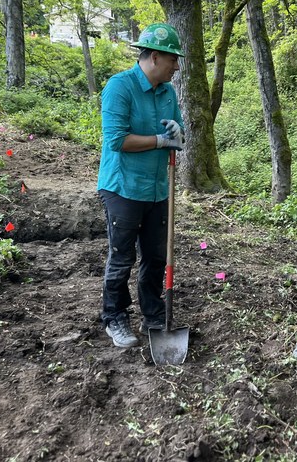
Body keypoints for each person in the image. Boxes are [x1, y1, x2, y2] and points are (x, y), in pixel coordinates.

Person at [97, 22, 185, 348]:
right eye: (172, 59)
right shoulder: (120, 88)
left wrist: (177, 134)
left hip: (157, 188)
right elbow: (117, 140)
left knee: (155, 255)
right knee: (122, 256)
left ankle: (153, 313)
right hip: (122, 186)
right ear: (153, 57)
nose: (176, 66)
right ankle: (115, 317)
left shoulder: (167, 92)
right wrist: (162, 141)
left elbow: (178, 134)